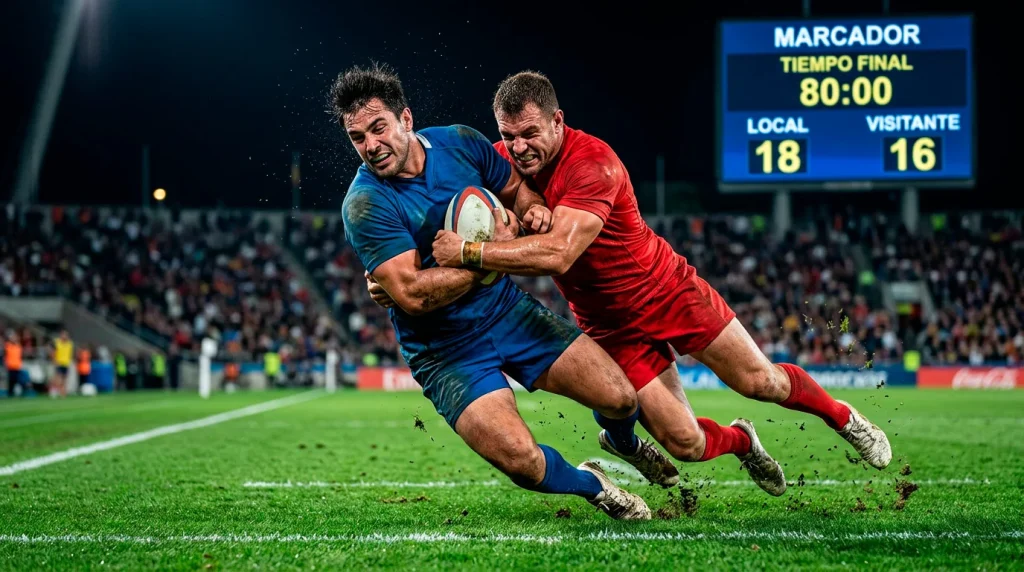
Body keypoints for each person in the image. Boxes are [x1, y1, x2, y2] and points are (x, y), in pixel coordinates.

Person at [424, 71, 892, 496]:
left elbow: (559, 253)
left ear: (558, 121)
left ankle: (843, 418)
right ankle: (741, 441)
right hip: (609, 324)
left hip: (667, 291)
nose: (519, 147)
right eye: (508, 136)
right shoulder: (501, 164)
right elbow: (445, 187)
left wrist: (470, 252)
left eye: (530, 133)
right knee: (685, 443)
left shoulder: (593, 162)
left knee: (760, 382)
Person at [333, 62, 669, 519]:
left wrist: (531, 211)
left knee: (621, 397)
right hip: (445, 351)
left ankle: (624, 443)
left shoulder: (460, 142)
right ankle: (594, 485)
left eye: (378, 128)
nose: (371, 146)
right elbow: (413, 295)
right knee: (522, 462)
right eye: (357, 137)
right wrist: (488, 256)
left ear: (405, 119)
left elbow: (517, 190)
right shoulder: (365, 203)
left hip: (508, 312)